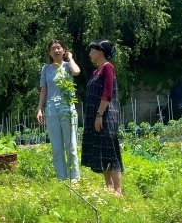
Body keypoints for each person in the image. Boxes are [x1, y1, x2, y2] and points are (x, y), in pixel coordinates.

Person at [81, 40, 123, 196]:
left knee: (110, 150)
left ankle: (118, 190)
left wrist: (99, 115)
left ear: (100, 51)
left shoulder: (108, 68)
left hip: (105, 115)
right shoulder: (95, 72)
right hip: (95, 116)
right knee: (100, 150)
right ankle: (109, 188)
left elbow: (107, 93)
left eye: (92, 50)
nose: (90, 53)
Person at [36, 40, 81, 181]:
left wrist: (71, 58)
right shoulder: (46, 69)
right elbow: (43, 90)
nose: (56, 51)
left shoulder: (68, 66)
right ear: (49, 53)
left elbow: (77, 72)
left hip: (67, 107)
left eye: (58, 48)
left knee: (71, 145)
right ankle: (62, 179)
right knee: (56, 147)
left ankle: (75, 178)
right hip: (51, 109)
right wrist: (39, 108)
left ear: (63, 50)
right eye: (53, 49)